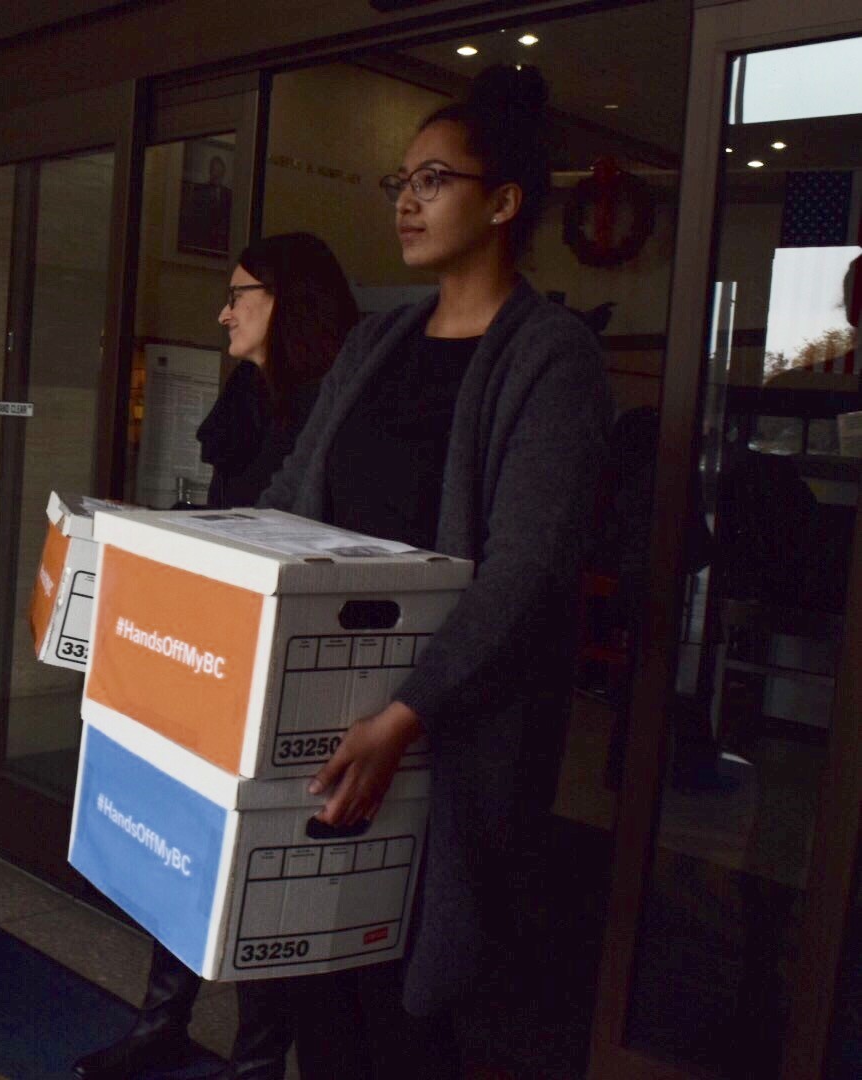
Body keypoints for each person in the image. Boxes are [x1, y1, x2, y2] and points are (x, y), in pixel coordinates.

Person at [251, 64, 613, 1077]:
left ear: (503, 203)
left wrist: (405, 716)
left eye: (435, 178)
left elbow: (528, 573)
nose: (406, 199)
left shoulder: (552, 358)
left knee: (413, 1015)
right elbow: (289, 493)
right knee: (320, 997)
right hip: (329, 717)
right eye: (400, 180)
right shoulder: (379, 339)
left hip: (441, 738)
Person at [71, 232, 360, 1080]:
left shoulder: (331, 407)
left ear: (288, 302)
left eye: (240, 293)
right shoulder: (248, 392)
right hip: (212, 648)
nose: (223, 310)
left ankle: (257, 1062)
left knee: (262, 859)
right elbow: (225, 513)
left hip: (281, 670)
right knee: (183, 837)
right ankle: (161, 1025)